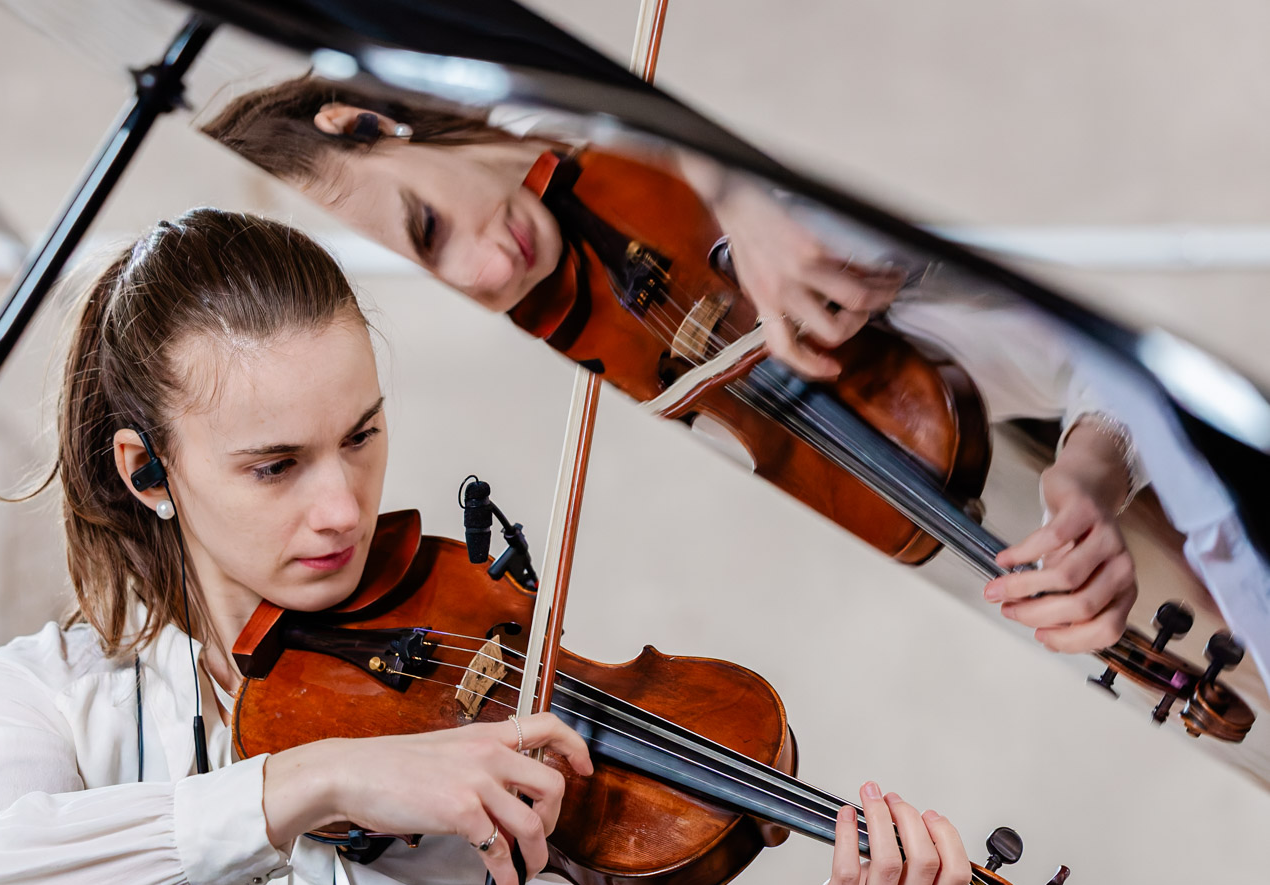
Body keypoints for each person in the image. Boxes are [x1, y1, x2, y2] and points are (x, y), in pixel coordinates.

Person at [0, 209, 977, 885]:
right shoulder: (49, 698)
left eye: (362, 436)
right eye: (276, 466)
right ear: (149, 472)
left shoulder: (475, 674)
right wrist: (316, 775)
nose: (342, 506)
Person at [201, 78, 1138, 655]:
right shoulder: (575, 388)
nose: (492, 274)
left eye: (430, 228)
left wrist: (733, 178)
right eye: (445, 296)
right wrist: (1092, 467)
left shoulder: (608, 78)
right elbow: (1065, 348)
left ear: (363, 123)